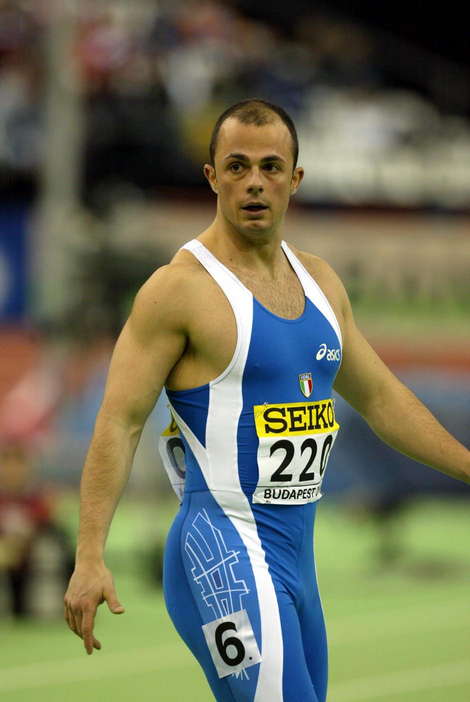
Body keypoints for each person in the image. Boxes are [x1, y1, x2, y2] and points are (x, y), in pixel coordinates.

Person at [64, 98, 470, 702]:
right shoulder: (179, 291)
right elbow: (118, 423)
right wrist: (89, 555)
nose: (254, 182)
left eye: (270, 167)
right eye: (237, 166)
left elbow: (384, 400)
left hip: (297, 562)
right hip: (221, 554)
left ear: (295, 179)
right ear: (213, 177)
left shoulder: (321, 282)